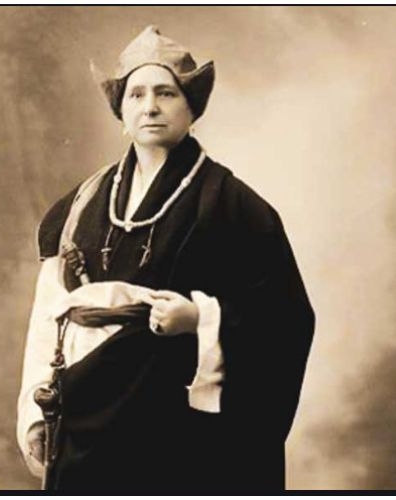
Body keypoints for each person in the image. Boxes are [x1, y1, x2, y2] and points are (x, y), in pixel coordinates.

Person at [17, 25, 315, 494]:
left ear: (191, 108)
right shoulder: (79, 204)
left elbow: (286, 319)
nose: (150, 106)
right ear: (121, 111)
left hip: (176, 425)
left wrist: (201, 319)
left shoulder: (235, 207)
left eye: (166, 93)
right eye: (136, 94)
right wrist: (36, 413)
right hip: (84, 413)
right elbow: (48, 314)